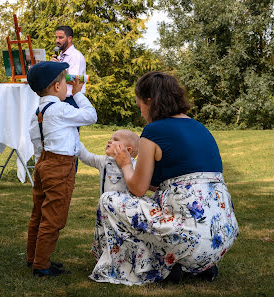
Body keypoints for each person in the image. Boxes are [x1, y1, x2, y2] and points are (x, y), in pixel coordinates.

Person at [89, 71, 239, 285]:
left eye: (139, 104)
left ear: (149, 101)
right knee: (150, 207)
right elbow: (164, 184)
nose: (141, 112)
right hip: (222, 237)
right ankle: (195, 266)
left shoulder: (154, 130)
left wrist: (124, 163)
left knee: (110, 201)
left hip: (190, 240)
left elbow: (138, 188)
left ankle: (152, 266)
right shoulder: (199, 127)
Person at [26, 61, 97, 277]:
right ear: (57, 87)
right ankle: (42, 265)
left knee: (38, 213)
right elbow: (91, 116)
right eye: (65, 83)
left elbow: (37, 141)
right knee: (54, 216)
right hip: (60, 166)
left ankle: (34, 258)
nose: (68, 86)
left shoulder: (38, 111)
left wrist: (42, 161)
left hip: (43, 163)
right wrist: (78, 94)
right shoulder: (61, 109)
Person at [78, 129, 139, 196]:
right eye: (110, 139)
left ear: (128, 150)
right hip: (106, 205)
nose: (109, 141)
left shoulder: (134, 166)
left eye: (115, 140)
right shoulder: (103, 161)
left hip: (126, 205)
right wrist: (76, 141)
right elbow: (87, 157)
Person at [51, 25, 87, 109]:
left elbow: (74, 80)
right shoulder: (60, 56)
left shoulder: (76, 56)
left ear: (69, 39)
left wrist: (58, 68)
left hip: (71, 100)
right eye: (56, 37)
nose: (57, 41)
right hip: (60, 99)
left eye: (60, 38)